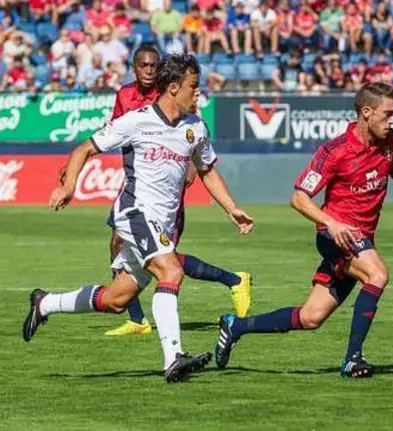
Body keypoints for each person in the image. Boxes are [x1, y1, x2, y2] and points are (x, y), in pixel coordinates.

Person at [23, 54, 255, 383]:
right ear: (173, 87)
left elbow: (206, 170)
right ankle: (173, 358)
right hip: (134, 212)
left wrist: (232, 208)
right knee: (171, 271)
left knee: (117, 300)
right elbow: (83, 149)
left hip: (164, 222)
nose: (198, 93)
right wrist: (69, 186)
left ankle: (45, 303)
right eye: (193, 86)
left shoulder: (195, 127)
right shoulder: (137, 121)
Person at [213, 82, 393, 378]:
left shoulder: (392, 140)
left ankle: (236, 326)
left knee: (310, 317)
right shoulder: (335, 151)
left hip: (361, 238)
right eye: (387, 114)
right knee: (377, 274)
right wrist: (331, 222)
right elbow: (299, 198)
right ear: (366, 112)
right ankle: (353, 359)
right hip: (334, 236)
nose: (392, 120)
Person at [63, 44, 253, 336]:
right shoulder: (128, 99)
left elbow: (199, 154)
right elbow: (102, 137)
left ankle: (233, 281)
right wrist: (71, 175)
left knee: (161, 266)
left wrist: (209, 188)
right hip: (136, 191)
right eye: (144, 65)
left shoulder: (181, 106)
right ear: (134, 68)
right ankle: (146, 326)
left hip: (168, 195)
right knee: (138, 251)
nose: (149, 70)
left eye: (154, 65)